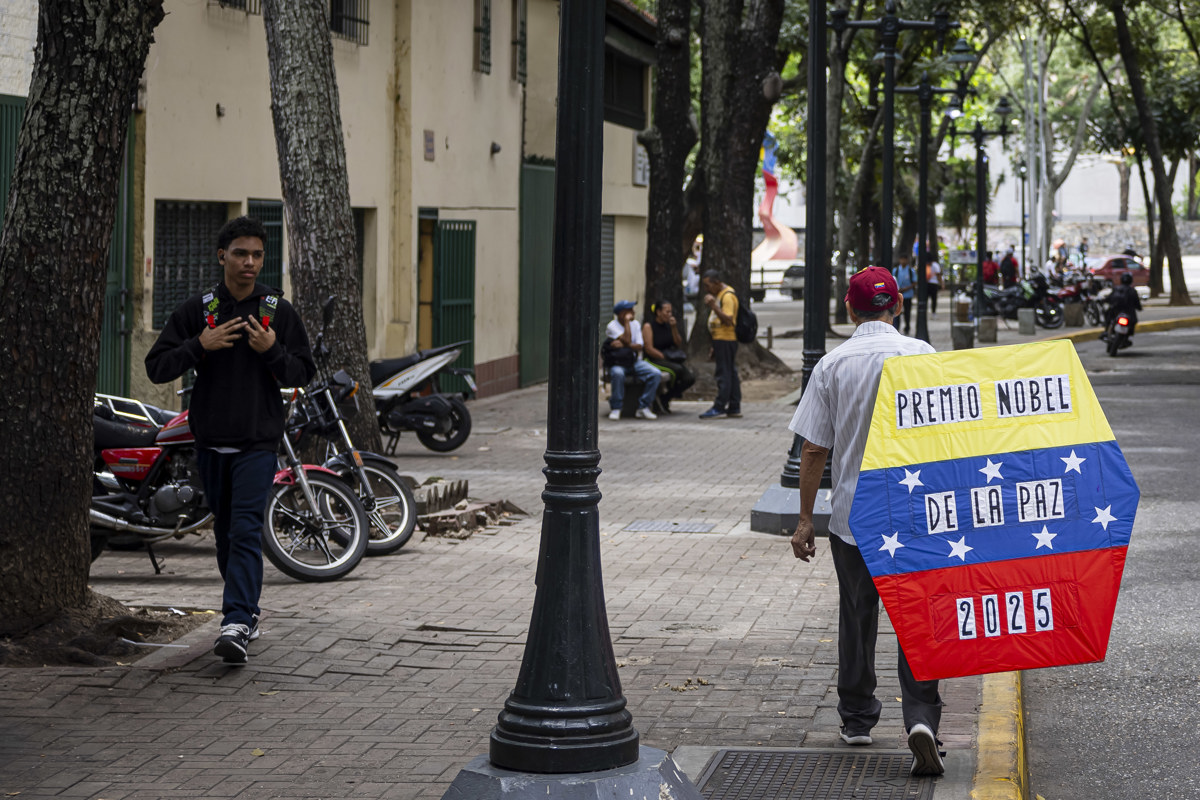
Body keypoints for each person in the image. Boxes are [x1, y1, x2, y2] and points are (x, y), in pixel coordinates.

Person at [788, 266, 945, 776]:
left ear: (851, 311)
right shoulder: (923, 356)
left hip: (854, 519)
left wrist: (806, 519)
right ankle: (921, 718)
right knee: (918, 621)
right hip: (919, 517)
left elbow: (814, 450)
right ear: (896, 307)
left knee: (857, 618)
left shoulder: (832, 365)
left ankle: (857, 719)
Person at [145, 216, 315, 665]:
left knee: (243, 531)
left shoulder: (277, 310)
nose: (250, 263)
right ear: (223, 256)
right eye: (241, 253)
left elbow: (302, 372)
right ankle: (248, 614)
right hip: (210, 442)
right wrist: (199, 345)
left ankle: (236, 621)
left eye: (257, 255)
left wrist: (273, 351)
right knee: (224, 535)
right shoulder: (199, 310)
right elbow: (157, 366)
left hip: (257, 442)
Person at [603, 300, 662, 420]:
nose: (633, 312)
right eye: (629, 310)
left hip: (633, 360)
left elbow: (639, 346)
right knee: (617, 374)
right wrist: (626, 323)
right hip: (618, 362)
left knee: (655, 373)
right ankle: (616, 407)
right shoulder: (612, 326)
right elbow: (628, 340)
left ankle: (644, 406)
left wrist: (626, 344)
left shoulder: (635, 324)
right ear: (622, 314)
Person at [699, 270, 741, 419]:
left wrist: (713, 306)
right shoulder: (721, 295)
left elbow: (729, 320)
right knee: (730, 372)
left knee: (724, 374)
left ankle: (720, 406)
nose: (706, 289)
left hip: (726, 339)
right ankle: (734, 406)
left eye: (708, 285)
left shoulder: (727, 296)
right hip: (721, 340)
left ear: (717, 283)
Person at [642, 300, 695, 413]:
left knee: (689, 378)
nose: (670, 314)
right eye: (667, 312)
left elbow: (678, 343)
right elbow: (648, 348)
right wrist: (663, 356)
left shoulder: (669, 326)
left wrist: (674, 328)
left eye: (671, 312)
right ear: (658, 312)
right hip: (655, 358)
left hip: (670, 358)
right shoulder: (649, 326)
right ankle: (666, 396)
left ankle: (667, 397)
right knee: (677, 370)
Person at [1102, 272, 1142, 339]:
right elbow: (1137, 303)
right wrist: (1139, 308)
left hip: (1116, 311)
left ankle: (1106, 331)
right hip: (1127, 312)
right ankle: (1107, 331)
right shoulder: (1132, 291)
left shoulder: (1117, 289)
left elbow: (1108, 298)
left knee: (1108, 316)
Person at [891, 254, 916, 335]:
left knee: (907, 312)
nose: (903, 261)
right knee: (897, 312)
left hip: (908, 295)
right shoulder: (896, 270)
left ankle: (907, 327)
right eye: (901, 259)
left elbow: (914, 282)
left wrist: (906, 288)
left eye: (904, 259)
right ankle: (896, 327)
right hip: (898, 295)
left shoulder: (911, 270)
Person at [924, 251, 942, 316]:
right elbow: (939, 275)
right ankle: (931, 312)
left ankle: (930, 312)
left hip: (930, 284)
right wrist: (941, 284)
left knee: (930, 299)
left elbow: (938, 275)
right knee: (931, 299)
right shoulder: (934, 265)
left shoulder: (929, 265)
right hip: (931, 284)